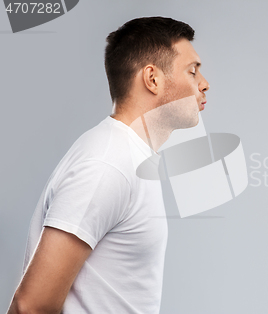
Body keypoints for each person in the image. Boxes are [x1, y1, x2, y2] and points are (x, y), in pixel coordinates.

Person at [7, 16, 209, 313]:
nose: (205, 85)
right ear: (153, 79)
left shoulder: (128, 157)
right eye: (193, 72)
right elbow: (31, 305)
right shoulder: (108, 163)